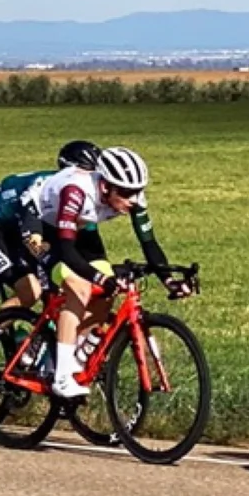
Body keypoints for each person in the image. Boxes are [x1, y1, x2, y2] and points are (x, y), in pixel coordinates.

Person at [36, 147, 182, 399]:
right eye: (126, 193)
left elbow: (149, 243)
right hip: (41, 229)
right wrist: (98, 277)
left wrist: (169, 280)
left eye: (137, 191)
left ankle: (74, 354)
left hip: (81, 231)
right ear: (104, 186)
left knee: (107, 293)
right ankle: (60, 377)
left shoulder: (130, 194)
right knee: (80, 288)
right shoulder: (76, 191)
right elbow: (68, 251)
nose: (133, 199)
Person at [0, 140, 100, 311]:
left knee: (61, 288)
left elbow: (90, 247)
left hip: (23, 227)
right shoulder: (44, 190)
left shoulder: (86, 199)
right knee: (30, 292)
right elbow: (34, 243)